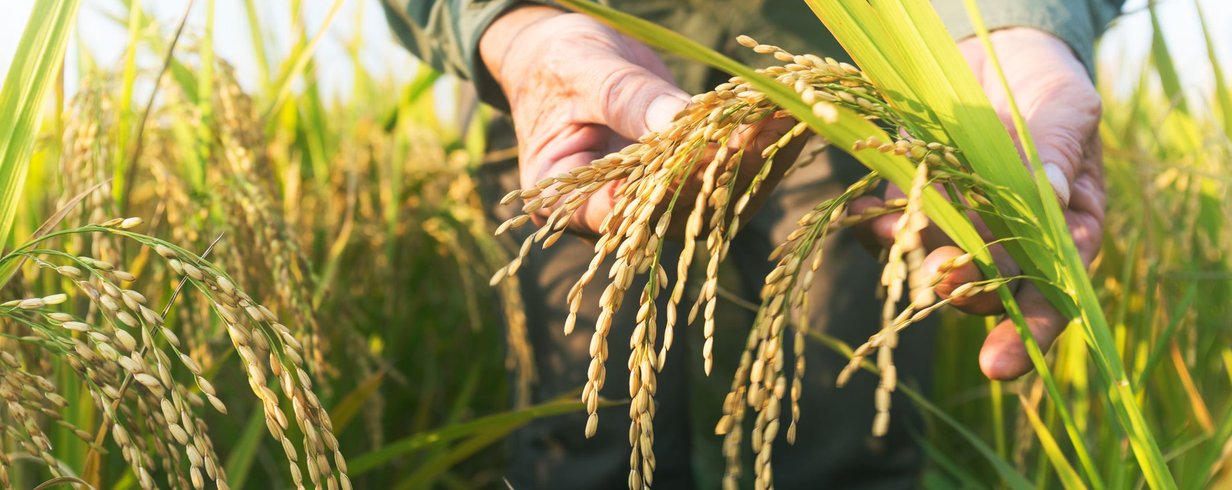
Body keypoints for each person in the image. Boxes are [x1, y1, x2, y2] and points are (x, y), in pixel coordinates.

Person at [384, 0, 1119, 487]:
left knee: (845, 433)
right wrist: (510, 24)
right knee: (582, 441)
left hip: (844, 78)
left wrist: (1023, 22)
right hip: (577, 79)